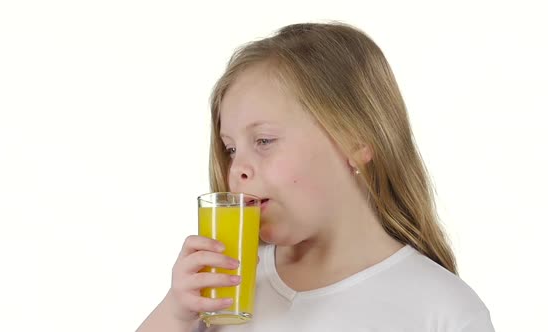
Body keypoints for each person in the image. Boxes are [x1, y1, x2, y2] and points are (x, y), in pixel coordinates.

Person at [137, 21, 495, 332]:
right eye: (231, 149)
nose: (237, 169)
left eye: (263, 140)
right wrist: (176, 313)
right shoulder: (224, 288)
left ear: (354, 139)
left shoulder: (441, 311)